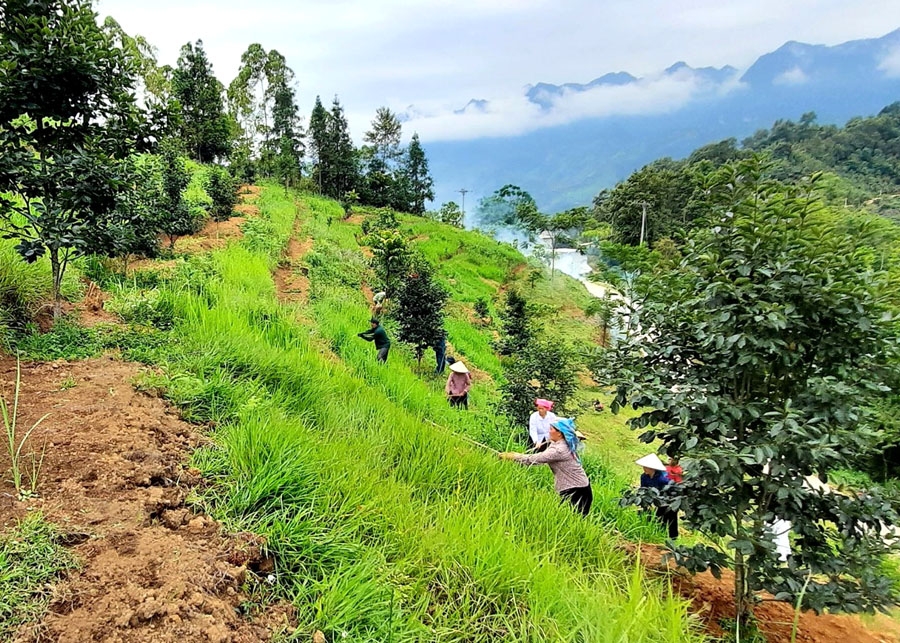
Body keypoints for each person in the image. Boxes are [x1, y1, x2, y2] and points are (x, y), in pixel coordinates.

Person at [499, 418, 592, 516]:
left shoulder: (559, 450)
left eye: (551, 429)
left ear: (560, 433)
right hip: (576, 487)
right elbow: (552, 444)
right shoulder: (560, 442)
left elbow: (533, 460)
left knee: (572, 519)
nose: (549, 431)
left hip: (576, 491)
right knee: (564, 517)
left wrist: (513, 456)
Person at [636, 454, 678, 538]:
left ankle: (673, 538)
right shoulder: (644, 477)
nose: (644, 469)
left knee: (670, 519)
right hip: (655, 500)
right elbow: (643, 489)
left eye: (646, 467)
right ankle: (660, 535)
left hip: (668, 500)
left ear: (652, 468)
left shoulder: (663, 479)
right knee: (657, 518)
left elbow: (671, 490)